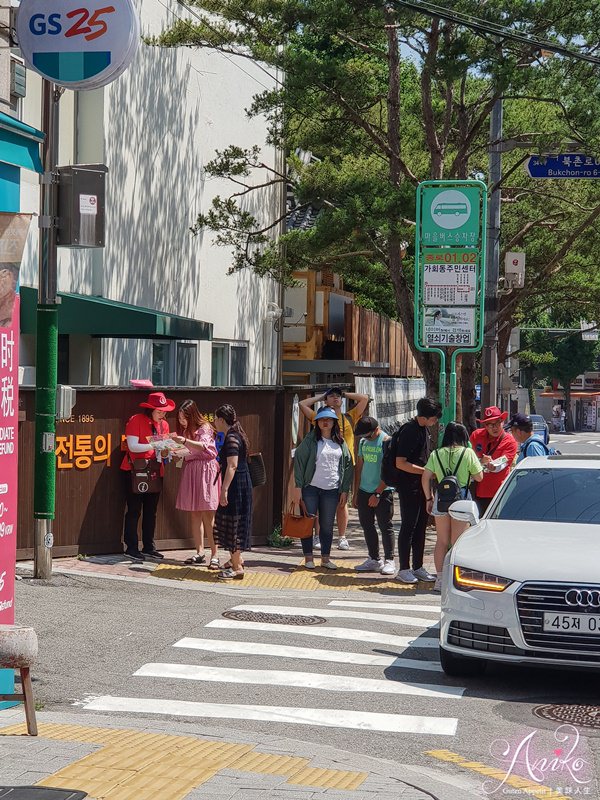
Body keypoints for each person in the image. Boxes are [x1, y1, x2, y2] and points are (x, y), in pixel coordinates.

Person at [299, 387, 368, 551]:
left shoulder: (349, 417)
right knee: (318, 503)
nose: (336, 398)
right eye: (332, 396)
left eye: (338, 396)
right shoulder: (320, 418)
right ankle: (317, 535)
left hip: (345, 465)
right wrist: (322, 396)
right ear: (326, 400)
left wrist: (344, 394)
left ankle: (342, 537)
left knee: (342, 502)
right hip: (322, 464)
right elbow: (302, 404)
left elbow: (364, 398)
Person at [422, 422, 483, 592]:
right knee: (458, 543)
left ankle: (440, 580)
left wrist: (429, 497)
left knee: (441, 541)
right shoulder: (468, 453)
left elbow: (425, 477)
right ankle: (457, 580)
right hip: (461, 500)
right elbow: (479, 477)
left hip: (441, 499)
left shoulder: (436, 454)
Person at [292, 407, 354, 570]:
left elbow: (348, 465)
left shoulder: (340, 442)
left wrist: (345, 489)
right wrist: (298, 486)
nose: (325, 422)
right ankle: (308, 558)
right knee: (308, 523)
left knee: (327, 525)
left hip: (332, 489)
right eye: (321, 420)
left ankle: (325, 559)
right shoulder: (310, 440)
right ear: (317, 423)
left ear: (334, 422)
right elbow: (299, 460)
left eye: (329, 420)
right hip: (310, 488)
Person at [120, 391, 175, 561]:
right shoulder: (136, 420)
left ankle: (149, 546)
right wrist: (155, 443)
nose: (162, 414)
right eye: (159, 411)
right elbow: (133, 446)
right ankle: (131, 547)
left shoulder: (164, 425)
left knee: (151, 511)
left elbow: (162, 448)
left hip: (155, 469)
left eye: (164, 411)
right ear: (150, 409)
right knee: (134, 509)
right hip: (135, 470)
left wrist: (169, 450)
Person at [394, 397, 442, 584]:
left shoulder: (423, 429)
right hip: (409, 486)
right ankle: (404, 568)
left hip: (421, 485)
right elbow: (400, 462)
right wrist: (427, 472)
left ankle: (418, 566)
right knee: (409, 526)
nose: (436, 421)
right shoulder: (410, 431)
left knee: (421, 526)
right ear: (426, 416)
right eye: (434, 418)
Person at [172, 400, 220, 569]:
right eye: (179, 418)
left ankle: (215, 554)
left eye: (184, 417)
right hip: (192, 469)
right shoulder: (185, 431)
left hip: (206, 470)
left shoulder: (204, 427)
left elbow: (203, 447)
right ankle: (199, 551)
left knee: (208, 514)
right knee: (194, 513)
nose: (181, 421)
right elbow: (187, 453)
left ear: (191, 415)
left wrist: (184, 441)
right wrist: (174, 452)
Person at [213, 404, 253, 580]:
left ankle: (237, 568)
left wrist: (224, 490)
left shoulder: (231, 438)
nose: (214, 422)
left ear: (222, 420)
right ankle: (236, 559)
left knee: (232, 525)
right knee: (234, 523)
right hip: (243, 483)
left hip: (236, 485)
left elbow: (232, 465)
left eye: (215, 419)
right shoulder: (237, 434)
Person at [352, 416, 395, 575]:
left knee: (385, 526)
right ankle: (374, 559)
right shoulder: (363, 442)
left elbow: (390, 472)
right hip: (364, 490)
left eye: (366, 434)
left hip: (383, 491)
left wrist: (377, 493)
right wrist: (357, 492)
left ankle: (390, 559)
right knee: (367, 525)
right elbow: (360, 467)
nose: (364, 438)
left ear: (375, 430)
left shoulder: (387, 442)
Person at [469, 405, 518, 515]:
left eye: (497, 423)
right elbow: (468, 457)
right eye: (490, 424)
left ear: (503, 422)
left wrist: (493, 465)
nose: (494, 427)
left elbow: (504, 462)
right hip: (475, 490)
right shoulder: (476, 435)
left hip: (498, 493)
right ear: (485, 425)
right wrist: (481, 461)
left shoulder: (510, 441)